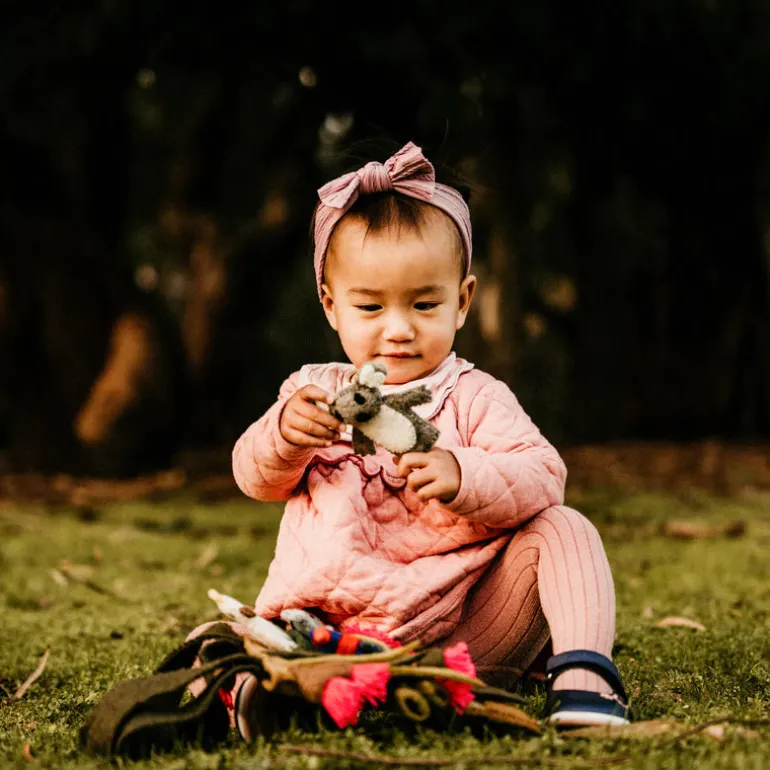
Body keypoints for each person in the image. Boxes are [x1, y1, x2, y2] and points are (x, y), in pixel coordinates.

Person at [200, 141, 629, 732]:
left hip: (456, 640)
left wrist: (464, 474)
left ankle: (584, 681)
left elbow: (543, 476)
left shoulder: (475, 396)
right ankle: (271, 692)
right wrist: (284, 435)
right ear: (331, 305)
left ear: (462, 301)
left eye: (425, 304)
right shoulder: (312, 392)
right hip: (328, 629)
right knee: (229, 638)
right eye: (370, 307)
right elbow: (254, 478)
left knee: (564, 527)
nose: (398, 329)